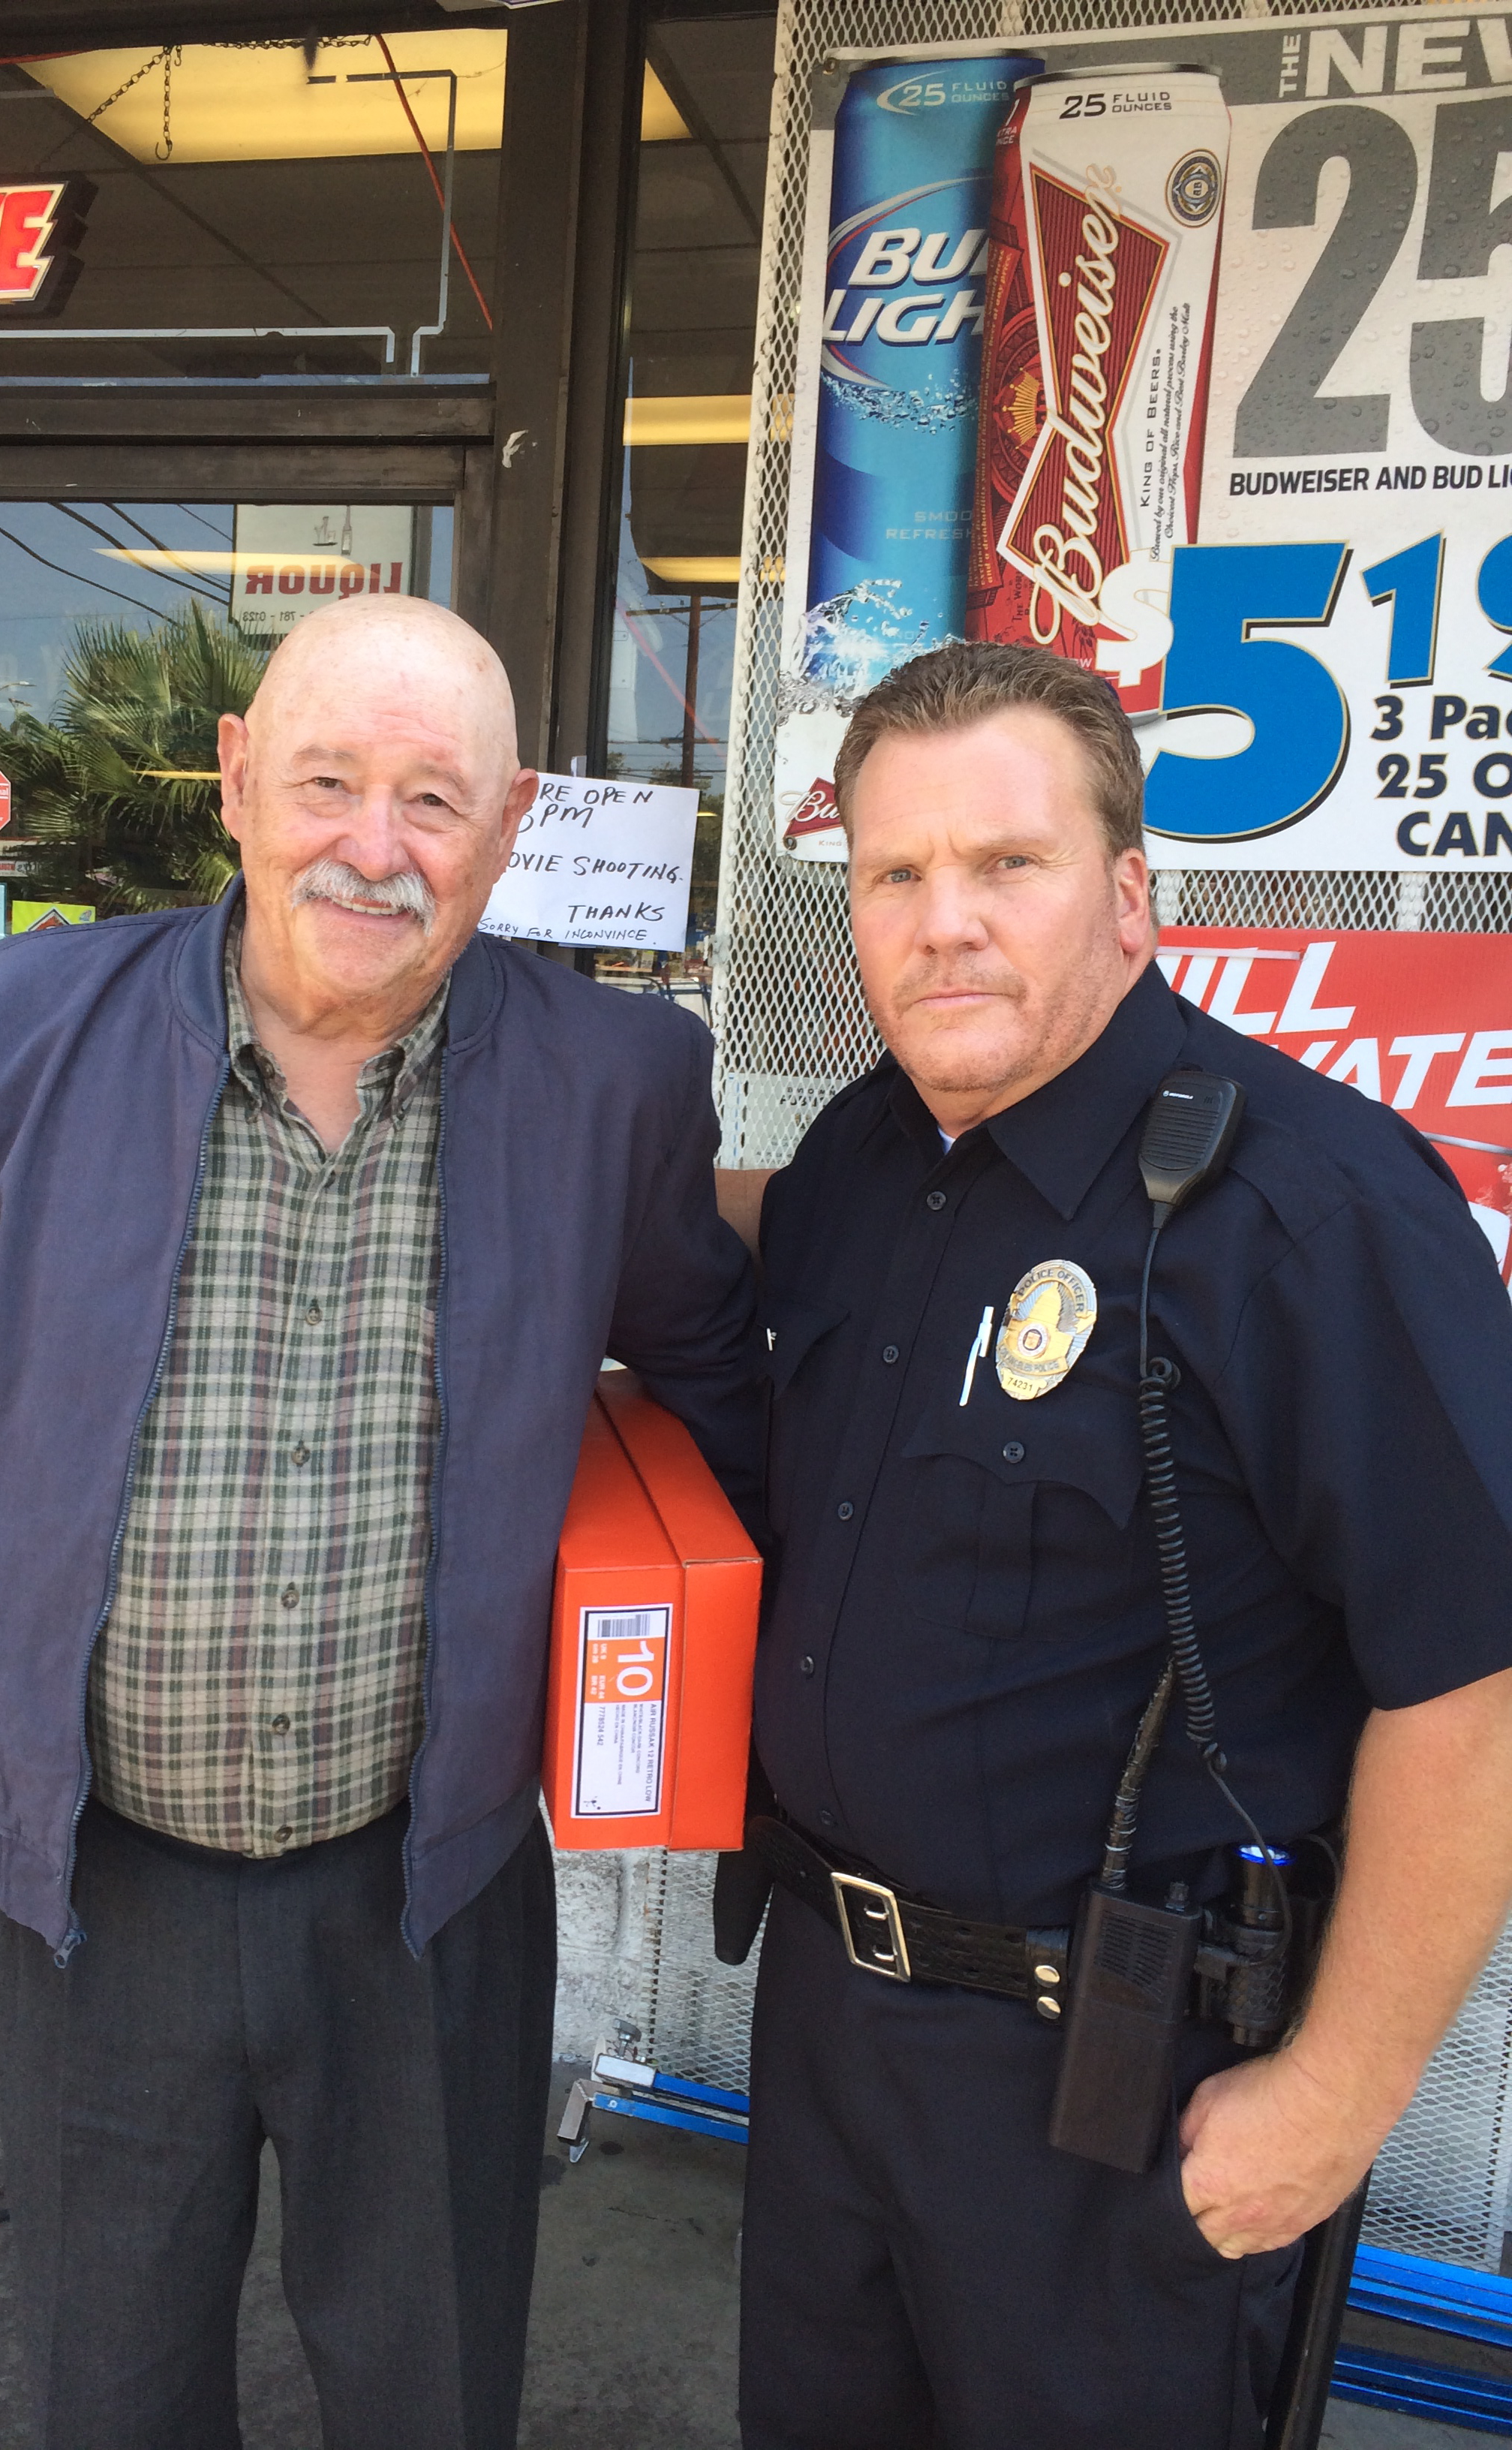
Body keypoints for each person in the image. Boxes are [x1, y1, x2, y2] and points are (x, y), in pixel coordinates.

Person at [0, 594, 760, 2450]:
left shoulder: (609, 1082)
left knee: (427, 2386)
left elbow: (719, 1394)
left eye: (430, 799)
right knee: (112, 2381)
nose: (374, 847)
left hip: (429, 1886)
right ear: (236, 778)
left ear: (510, 819)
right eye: (326, 780)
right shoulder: (20, 1025)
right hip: (104, 1875)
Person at [724, 639, 1512, 2449]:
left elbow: (1469, 1692)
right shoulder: (858, 1161)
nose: (945, 924)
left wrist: (1335, 2093)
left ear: (1129, 895)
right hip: (833, 2035)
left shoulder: (1307, 1212)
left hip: (1120, 2086)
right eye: (895, 874)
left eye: (1007, 864)